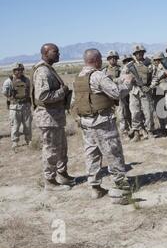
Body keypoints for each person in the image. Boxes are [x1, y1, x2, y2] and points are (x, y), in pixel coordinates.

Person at [71, 49, 134, 203]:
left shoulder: (79, 77)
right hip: (102, 122)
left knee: (92, 154)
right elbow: (116, 93)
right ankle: (121, 189)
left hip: (86, 122)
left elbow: (74, 101)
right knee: (114, 152)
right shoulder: (98, 75)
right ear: (97, 60)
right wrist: (127, 82)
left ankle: (95, 187)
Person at [31, 43, 75, 191]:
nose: (58, 54)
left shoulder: (49, 69)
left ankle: (62, 174)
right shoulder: (43, 71)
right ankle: (50, 181)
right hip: (48, 117)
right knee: (51, 149)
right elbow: (43, 96)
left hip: (55, 117)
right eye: (55, 52)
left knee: (61, 147)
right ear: (45, 53)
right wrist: (62, 92)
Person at [2, 62, 32, 150]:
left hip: (26, 106)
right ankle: (15, 142)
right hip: (14, 107)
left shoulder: (27, 80)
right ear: (13, 71)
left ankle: (29, 140)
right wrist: (11, 98)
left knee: (28, 125)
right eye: (17, 70)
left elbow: (28, 91)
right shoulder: (9, 81)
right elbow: (4, 92)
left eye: (21, 70)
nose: (19, 71)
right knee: (15, 125)